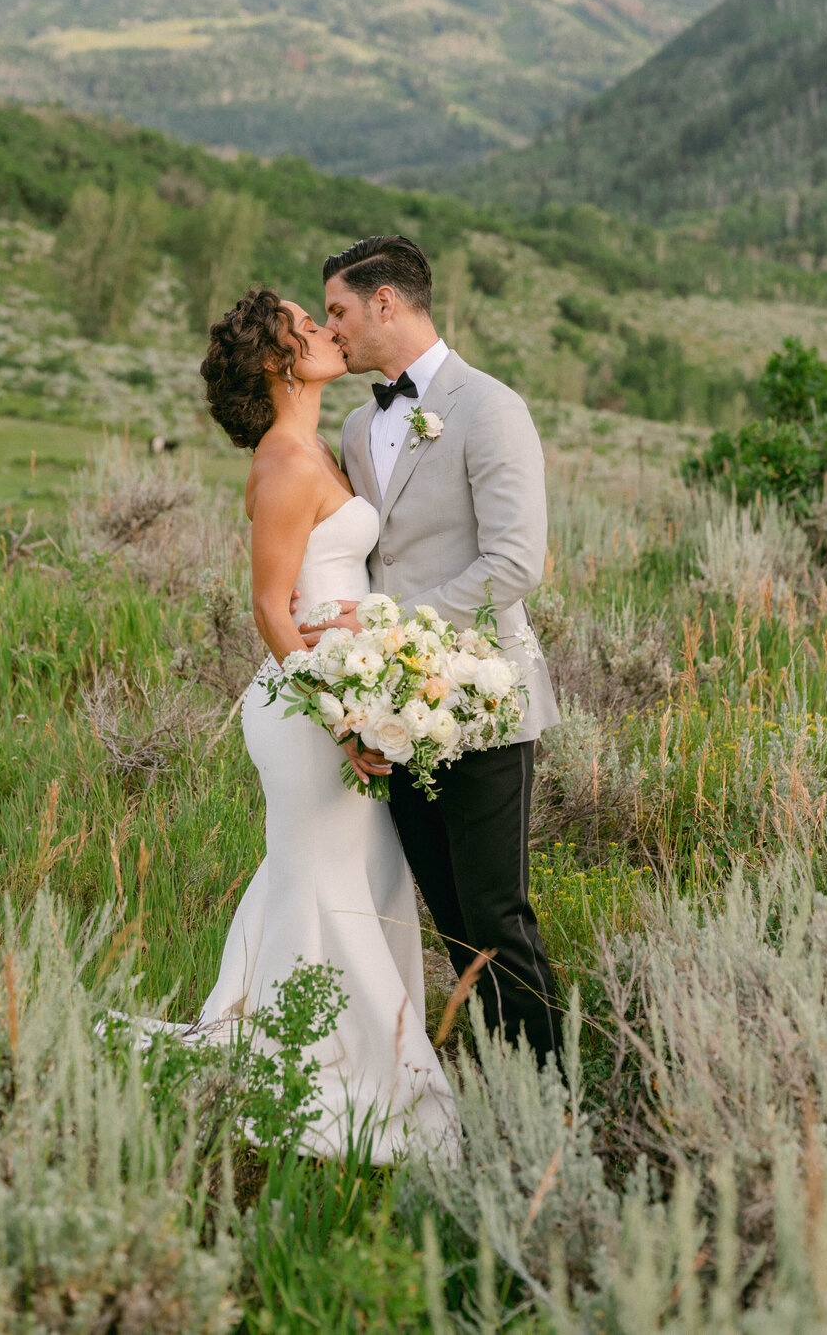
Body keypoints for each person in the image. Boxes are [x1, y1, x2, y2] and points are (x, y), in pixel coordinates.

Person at [187, 287, 456, 1163]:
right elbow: (269, 607)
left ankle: (312, 1052)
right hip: (305, 714)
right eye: (306, 327)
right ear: (277, 364)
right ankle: (338, 1080)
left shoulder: (313, 450)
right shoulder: (285, 463)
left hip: (336, 696)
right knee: (329, 886)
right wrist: (338, 714)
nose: (323, 330)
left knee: (347, 878)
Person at [303, 234, 563, 1067]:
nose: (331, 327)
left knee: (497, 918)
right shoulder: (353, 424)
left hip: (485, 701)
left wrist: (388, 628)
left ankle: (550, 1097)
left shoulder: (491, 407)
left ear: (386, 302)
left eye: (338, 310)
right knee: (450, 922)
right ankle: (494, 1083)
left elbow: (516, 563)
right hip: (399, 716)